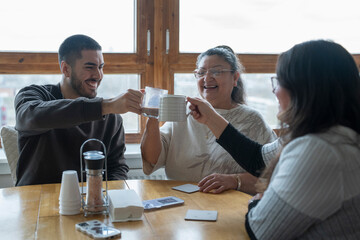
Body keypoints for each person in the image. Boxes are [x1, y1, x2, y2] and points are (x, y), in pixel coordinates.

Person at [187, 40, 360, 239]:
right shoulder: (326, 133)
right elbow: (258, 160)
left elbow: (262, 230)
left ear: (306, 89)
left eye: (280, 82)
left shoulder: (320, 150)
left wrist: (259, 199)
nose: (274, 91)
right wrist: (210, 117)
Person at [141, 46, 276, 194]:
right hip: (181, 204)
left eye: (216, 71)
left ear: (235, 78)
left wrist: (235, 180)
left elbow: (275, 175)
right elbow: (151, 159)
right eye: (201, 72)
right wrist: (152, 116)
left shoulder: (252, 120)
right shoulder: (183, 113)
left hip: (231, 206)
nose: (207, 78)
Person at [15, 34, 143, 186]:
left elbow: (117, 167)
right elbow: (33, 117)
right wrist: (106, 106)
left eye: (101, 67)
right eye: (90, 67)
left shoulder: (111, 118)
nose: (98, 75)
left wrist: (108, 197)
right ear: (66, 69)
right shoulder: (32, 96)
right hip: (37, 203)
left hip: (91, 204)